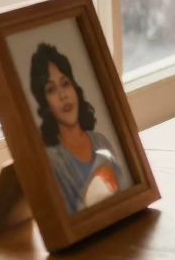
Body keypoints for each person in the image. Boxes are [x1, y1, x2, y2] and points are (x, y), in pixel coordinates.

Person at [29, 42, 130, 213]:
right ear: (45, 104)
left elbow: (126, 194)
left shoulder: (101, 142)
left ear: (75, 88)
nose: (63, 95)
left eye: (65, 83)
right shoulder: (51, 162)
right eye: (51, 89)